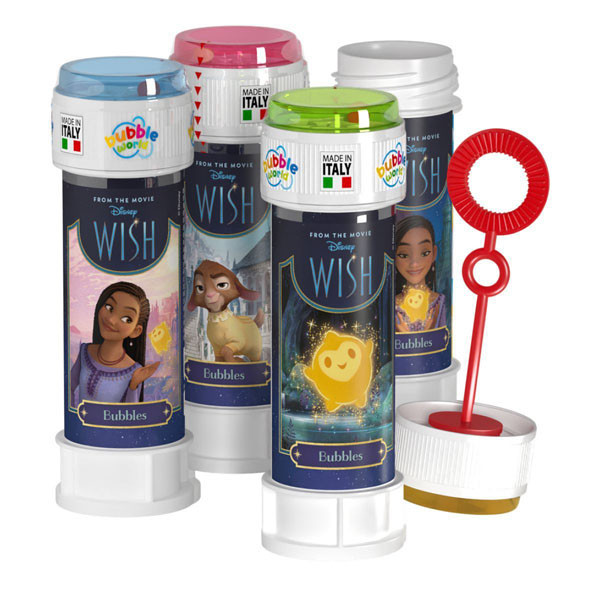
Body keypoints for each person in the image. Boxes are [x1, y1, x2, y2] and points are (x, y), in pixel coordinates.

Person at [70, 281, 159, 407]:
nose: (111, 320)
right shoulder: (85, 351)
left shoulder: (134, 371)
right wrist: (75, 414)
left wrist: (133, 385)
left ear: (136, 331)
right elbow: (69, 387)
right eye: (109, 307)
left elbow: (131, 411)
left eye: (126, 319)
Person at [394, 216, 446, 332]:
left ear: (434, 253)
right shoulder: (391, 304)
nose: (414, 263)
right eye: (404, 255)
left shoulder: (440, 302)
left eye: (424, 253)